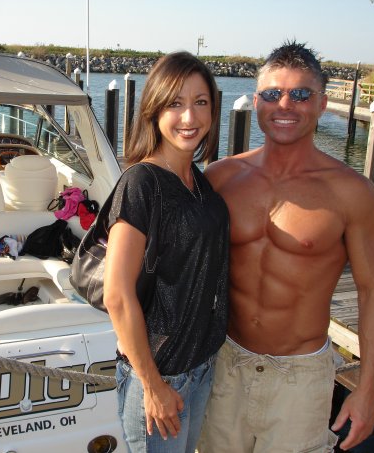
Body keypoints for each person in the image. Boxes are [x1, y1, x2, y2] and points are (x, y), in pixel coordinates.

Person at [198, 40, 374, 452]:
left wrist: (368, 390)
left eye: (301, 94)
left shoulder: (351, 192)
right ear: (256, 102)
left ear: (322, 104)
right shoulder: (220, 177)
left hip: (299, 378)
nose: (284, 105)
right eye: (272, 94)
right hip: (224, 363)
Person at [103, 51, 230, 452]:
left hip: (200, 367)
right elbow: (117, 295)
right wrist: (153, 386)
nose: (189, 117)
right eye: (175, 103)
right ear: (154, 109)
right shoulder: (141, 183)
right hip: (161, 377)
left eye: (200, 102)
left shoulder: (199, 182)